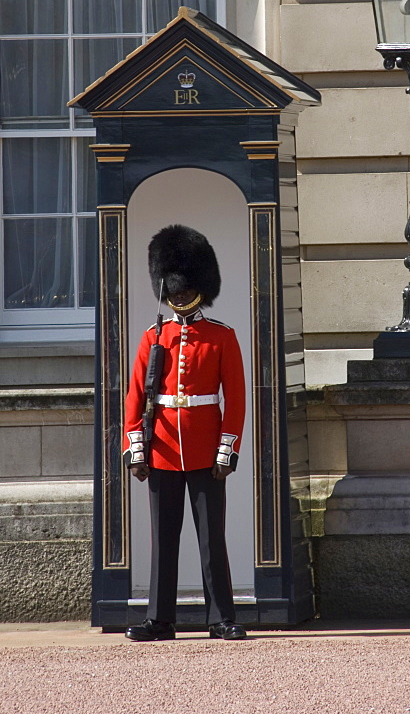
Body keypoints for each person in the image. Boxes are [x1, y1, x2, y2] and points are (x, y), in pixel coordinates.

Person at [123, 224, 247, 641]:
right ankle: (160, 619)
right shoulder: (152, 338)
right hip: (161, 449)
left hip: (205, 449)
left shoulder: (222, 338)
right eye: (173, 288)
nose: (178, 295)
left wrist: (226, 450)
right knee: (164, 540)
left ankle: (221, 617)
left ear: (199, 287)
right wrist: (136, 448)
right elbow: (135, 397)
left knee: (212, 539)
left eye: (184, 287)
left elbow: (236, 400)